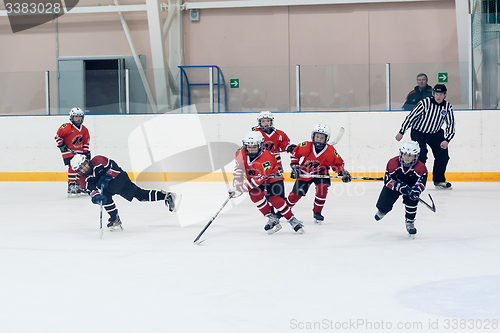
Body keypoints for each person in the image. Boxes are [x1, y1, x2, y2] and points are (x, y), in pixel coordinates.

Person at [70, 154, 181, 231]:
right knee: (111, 197)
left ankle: (115, 219)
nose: (84, 168)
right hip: (108, 187)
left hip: (119, 179)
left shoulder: (98, 160)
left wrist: (107, 177)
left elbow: (116, 169)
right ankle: (166, 196)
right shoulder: (83, 180)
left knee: (136, 195)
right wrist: (97, 198)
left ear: (87, 161)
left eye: (84, 165)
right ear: (78, 171)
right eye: (81, 169)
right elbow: (91, 191)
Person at [231, 131, 304, 234]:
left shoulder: (266, 158)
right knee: (254, 195)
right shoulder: (240, 153)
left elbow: (258, 179)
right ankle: (272, 218)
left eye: (254, 147)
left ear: (261, 145)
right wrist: (236, 185)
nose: (251, 150)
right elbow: (239, 169)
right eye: (249, 147)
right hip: (255, 178)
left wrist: (242, 188)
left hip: (273, 177)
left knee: (275, 199)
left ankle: (292, 220)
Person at [285, 124, 351, 224]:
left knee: (322, 189)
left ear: (326, 139)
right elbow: (295, 153)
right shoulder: (306, 145)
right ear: (313, 137)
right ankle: (284, 210)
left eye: (322, 137)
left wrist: (342, 172)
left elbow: (337, 164)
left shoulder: (330, 151)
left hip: (322, 172)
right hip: (305, 172)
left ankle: (317, 213)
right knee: (296, 194)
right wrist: (295, 166)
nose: (319, 139)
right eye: (317, 137)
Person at [395, 84, 455, 189]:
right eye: (436, 94)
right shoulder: (424, 103)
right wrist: (401, 131)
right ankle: (414, 179)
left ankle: (439, 180)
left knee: (443, 156)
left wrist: (447, 140)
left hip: (435, 134)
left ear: (444, 95)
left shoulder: (447, 106)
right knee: (421, 155)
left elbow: (451, 124)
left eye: (440, 94)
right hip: (419, 132)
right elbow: (411, 117)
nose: (438, 96)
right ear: (433, 94)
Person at [374, 141, 427, 238]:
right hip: (395, 185)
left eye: (410, 155)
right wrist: (398, 186)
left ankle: (410, 221)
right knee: (384, 202)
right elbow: (387, 180)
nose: (407, 158)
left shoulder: (421, 168)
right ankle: (383, 210)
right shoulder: (392, 163)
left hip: (411, 187)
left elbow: (421, 183)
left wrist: (415, 190)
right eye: (405, 154)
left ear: (416, 156)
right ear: (401, 153)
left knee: (412, 199)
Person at [54, 107, 91, 197]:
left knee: (82, 168)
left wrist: (85, 152)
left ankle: (79, 184)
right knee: (72, 167)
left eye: (80, 116)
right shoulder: (66, 127)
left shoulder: (84, 129)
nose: (78, 118)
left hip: (80, 152)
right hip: (68, 151)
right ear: (71, 117)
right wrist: (62, 144)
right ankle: (71, 185)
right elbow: (57, 136)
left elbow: (86, 141)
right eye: (76, 117)